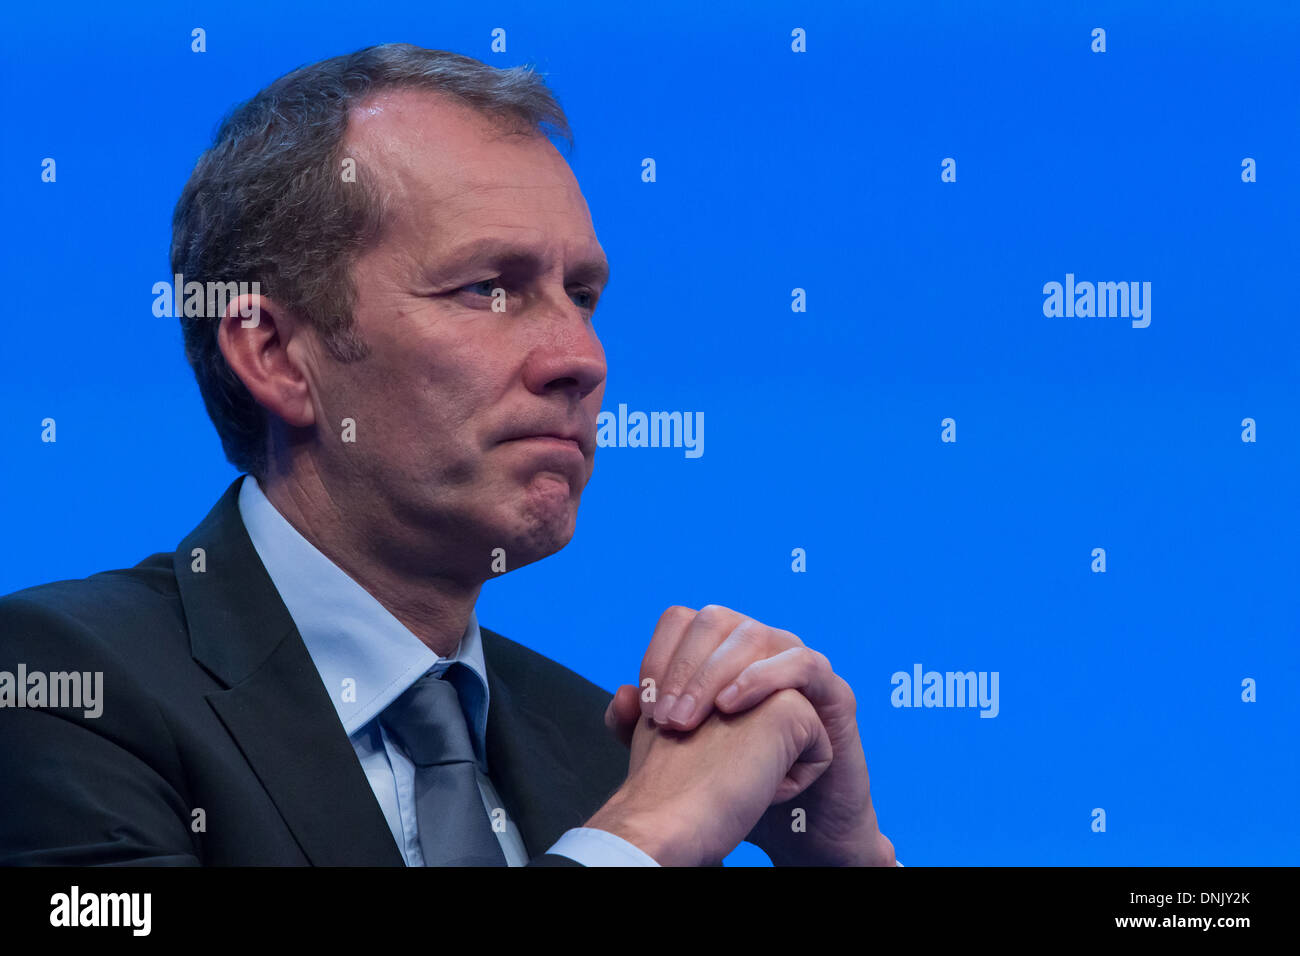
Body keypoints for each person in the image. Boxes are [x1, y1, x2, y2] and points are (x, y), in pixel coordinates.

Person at [0, 43, 896, 867]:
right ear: (275, 353)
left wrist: (843, 855)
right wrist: (646, 837)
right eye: (489, 289)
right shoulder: (60, 689)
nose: (581, 360)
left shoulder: (596, 746)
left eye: (581, 295)